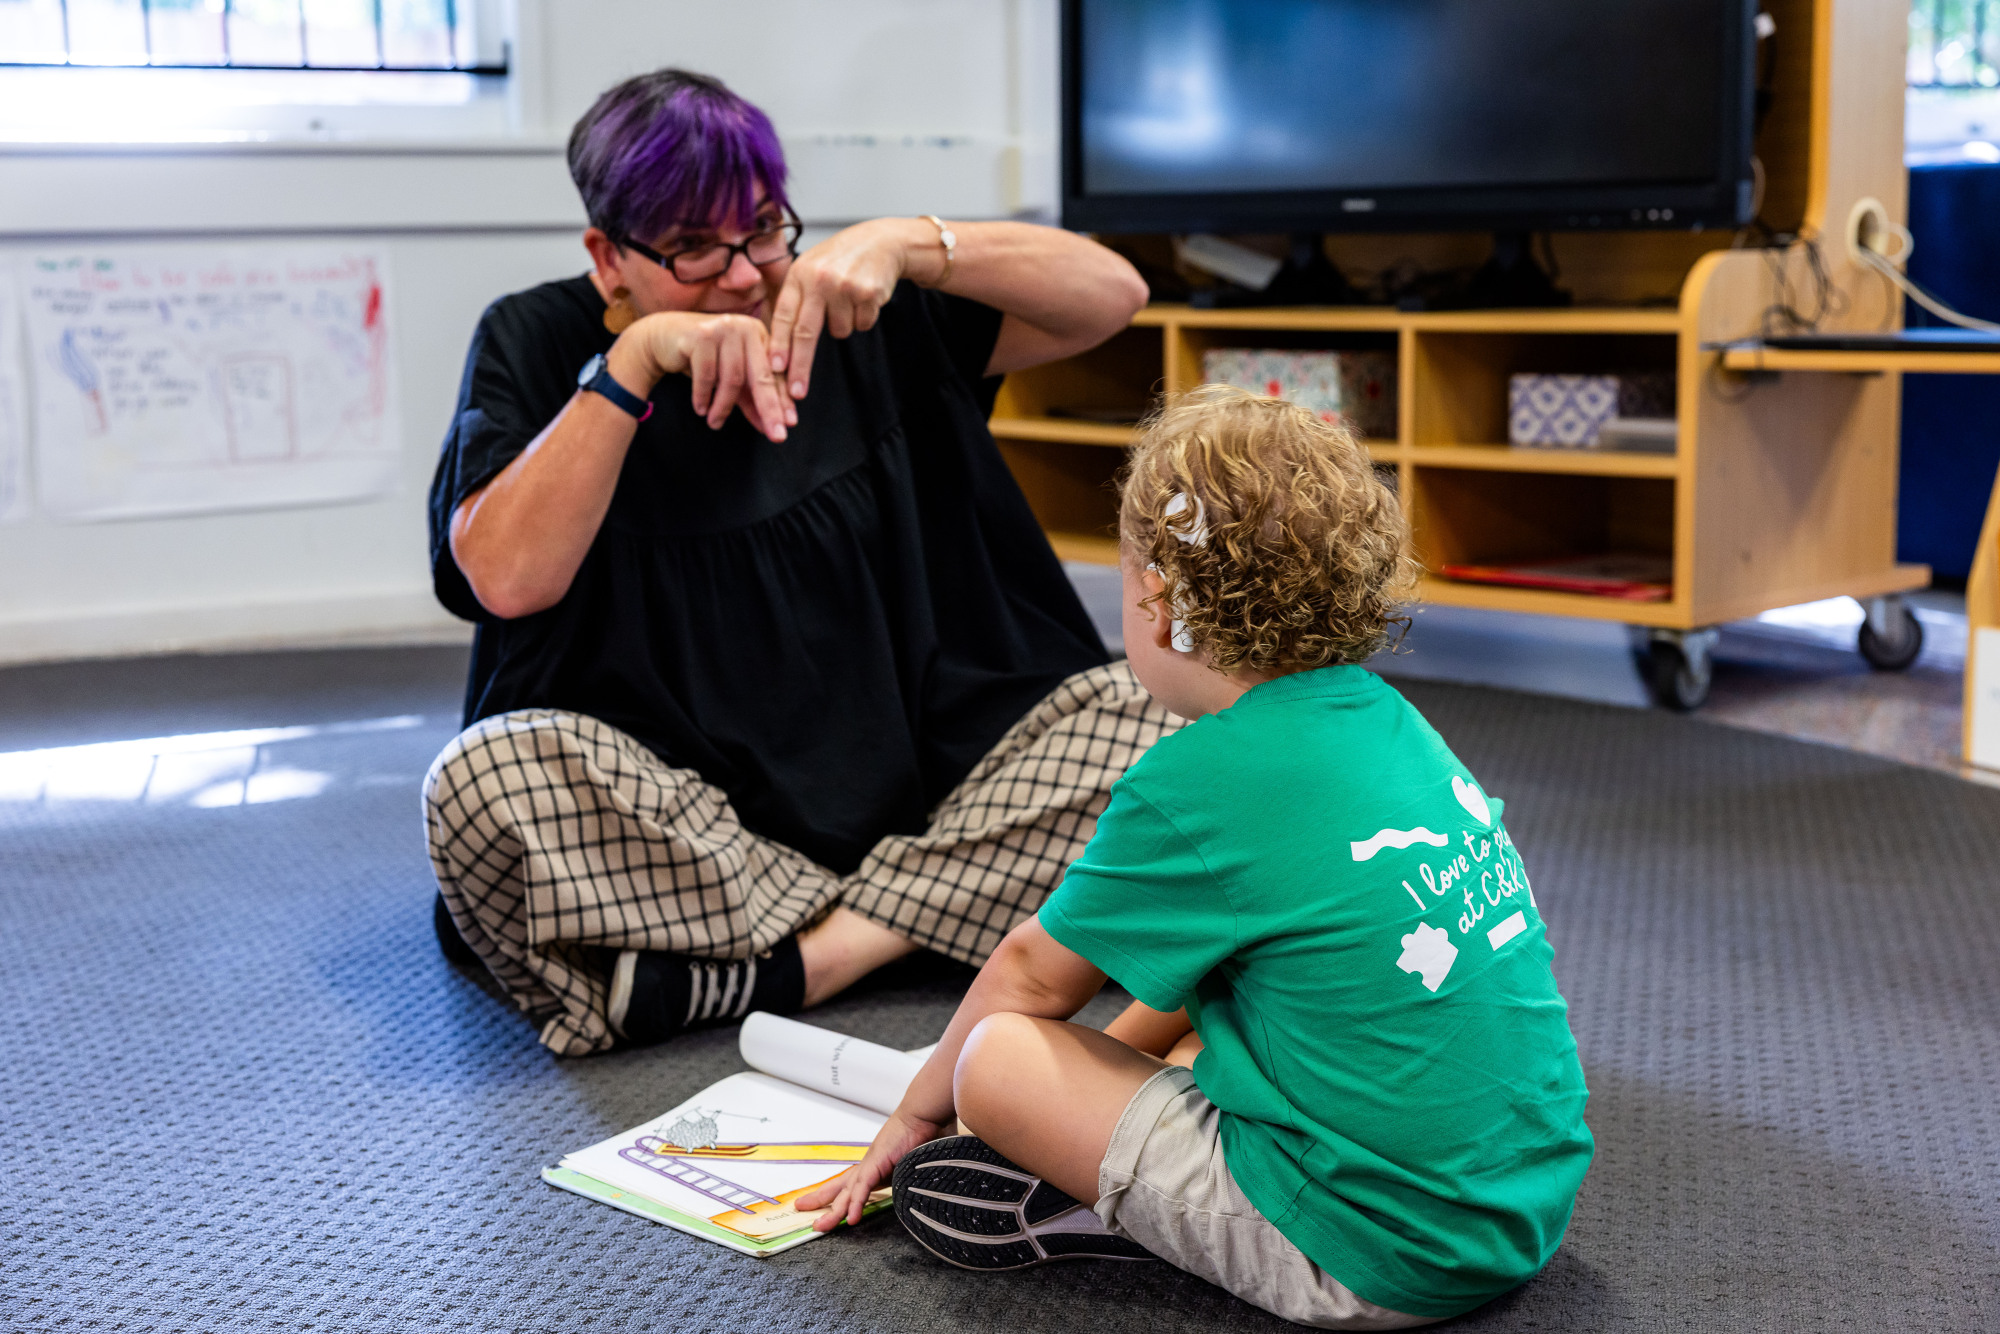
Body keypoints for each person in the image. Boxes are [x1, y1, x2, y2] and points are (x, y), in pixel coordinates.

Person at [423, 68, 1179, 1057]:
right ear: (607, 259)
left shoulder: (854, 307)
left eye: (760, 228)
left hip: (941, 785)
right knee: (484, 781)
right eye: (690, 248)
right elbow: (511, 577)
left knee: (1176, 714)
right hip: (693, 826)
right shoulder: (534, 336)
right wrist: (634, 362)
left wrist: (912, 241)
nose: (741, 275)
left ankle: (812, 958)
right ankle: (946, 911)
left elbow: (1109, 297)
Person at [802, 387, 1594, 1328]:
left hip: (1376, 1257)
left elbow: (1023, 982)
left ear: (1158, 599)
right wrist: (1107, 1057)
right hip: (1523, 1205)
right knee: (1196, 1021)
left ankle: (1107, 1211)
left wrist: (915, 1118)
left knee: (998, 1060)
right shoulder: (1390, 720)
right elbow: (1213, 968)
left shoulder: (1196, 783)